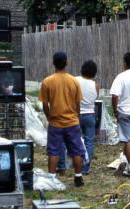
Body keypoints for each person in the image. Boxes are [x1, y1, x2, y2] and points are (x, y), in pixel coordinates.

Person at [39, 51, 86, 187]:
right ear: (67, 62)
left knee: (53, 151)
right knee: (76, 150)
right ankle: (78, 177)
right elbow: (78, 103)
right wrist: (75, 116)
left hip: (55, 123)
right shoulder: (74, 81)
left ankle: (51, 178)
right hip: (72, 121)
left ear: (53, 63)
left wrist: (49, 118)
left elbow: (44, 104)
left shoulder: (47, 81)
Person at [75, 60, 99, 175]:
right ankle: (85, 168)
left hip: (76, 114)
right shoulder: (95, 85)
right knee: (89, 142)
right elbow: (94, 99)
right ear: (94, 72)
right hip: (90, 115)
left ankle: (76, 165)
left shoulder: (75, 80)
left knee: (77, 140)